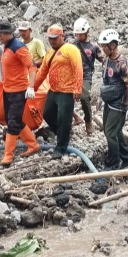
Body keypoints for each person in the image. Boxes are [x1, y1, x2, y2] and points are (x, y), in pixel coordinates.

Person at [0, 23, 40, 166]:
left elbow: (32, 66)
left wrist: (31, 87)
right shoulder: (7, 47)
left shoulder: (18, 47)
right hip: (8, 90)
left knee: (13, 122)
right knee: (13, 120)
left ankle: (8, 155)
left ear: (9, 33)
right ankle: (33, 145)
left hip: (19, 92)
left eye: (2, 33)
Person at [34, 24, 83, 159]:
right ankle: (62, 134)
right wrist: (32, 89)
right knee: (47, 114)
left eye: (55, 38)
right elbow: (42, 72)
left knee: (64, 117)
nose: (52, 41)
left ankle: (61, 146)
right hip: (53, 89)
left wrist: (77, 88)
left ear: (62, 36)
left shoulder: (70, 49)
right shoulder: (49, 53)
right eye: (50, 38)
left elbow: (77, 68)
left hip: (66, 91)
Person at [97, 29, 128, 170]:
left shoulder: (123, 63)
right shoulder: (106, 60)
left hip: (119, 104)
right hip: (109, 101)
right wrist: (101, 97)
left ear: (113, 45)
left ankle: (113, 162)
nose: (102, 49)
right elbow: (105, 80)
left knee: (110, 132)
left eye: (105, 46)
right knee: (116, 131)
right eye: (102, 45)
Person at [69, 18, 105, 135]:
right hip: (71, 76)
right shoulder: (71, 44)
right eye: (77, 34)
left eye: (81, 34)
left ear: (87, 32)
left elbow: (103, 59)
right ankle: (71, 120)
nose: (79, 36)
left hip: (86, 76)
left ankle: (88, 121)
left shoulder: (93, 46)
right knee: (67, 99)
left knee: (84, 98)